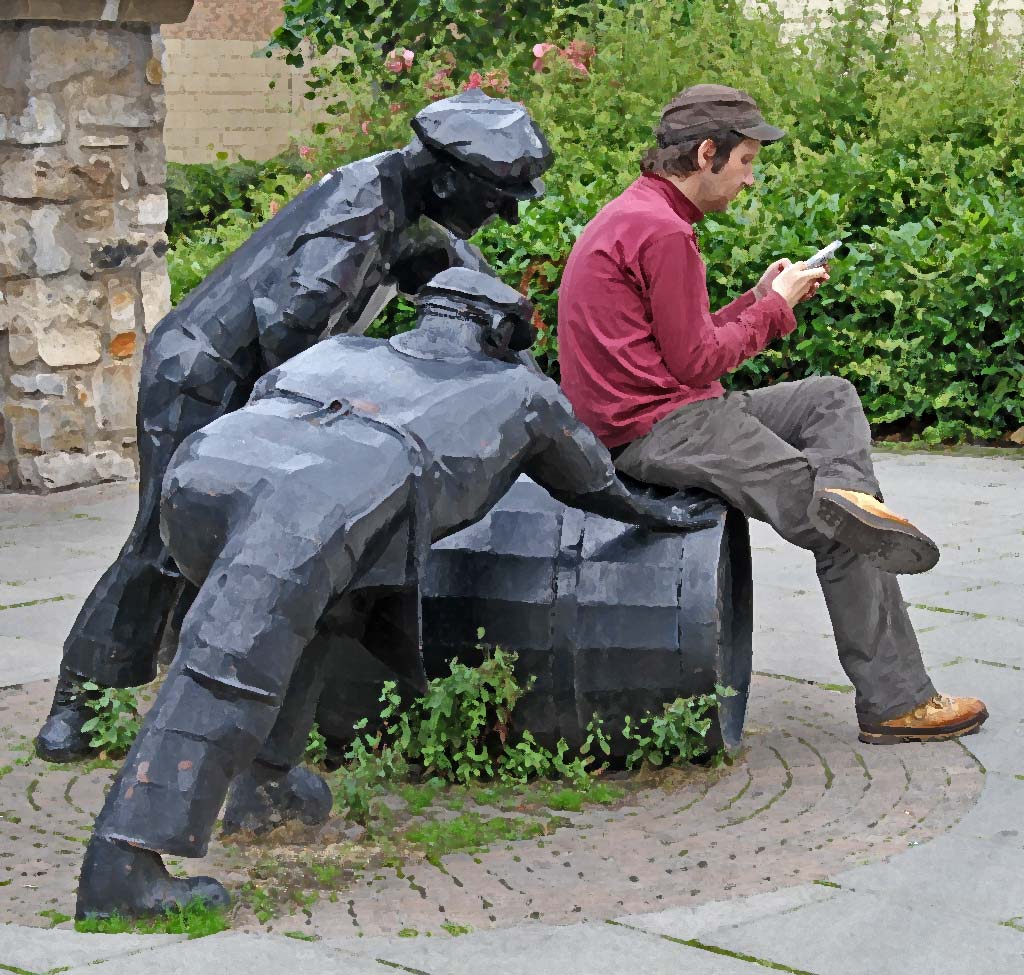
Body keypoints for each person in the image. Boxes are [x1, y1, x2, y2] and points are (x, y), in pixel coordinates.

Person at [74, 268, 717, 920]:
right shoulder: (523, 389)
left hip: (206, 467)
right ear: (500, 332)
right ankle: (121, 867)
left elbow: (266, 397)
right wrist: (657, 515)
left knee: (327, 609)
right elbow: (592, 482)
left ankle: (264, 786)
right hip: (326, 491)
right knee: (225, 664)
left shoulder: (342, 351)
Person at [37, 90, 555, 763]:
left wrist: (534, 388)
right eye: (500, 195)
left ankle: (196, 688)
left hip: (248, 378)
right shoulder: (358, 214)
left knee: (232, 544)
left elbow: (470, 289)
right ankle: (81, 704)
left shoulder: (408, 208)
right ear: (452, 176)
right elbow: (293, 338)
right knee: (165, 541)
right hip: (201, 376)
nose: (507, 212)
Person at [556, 83, 987, 745]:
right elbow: (698, 363)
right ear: (707, 153)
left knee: (829, 397)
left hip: (671, 410)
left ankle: (850, 496)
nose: (750, 180)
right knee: (844, 531)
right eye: (747, 162)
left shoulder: (638, 215)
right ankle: (897, 701)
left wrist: (756, 299)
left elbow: (679, 349)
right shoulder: (664, 232)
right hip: (660, 429)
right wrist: (776, 306)